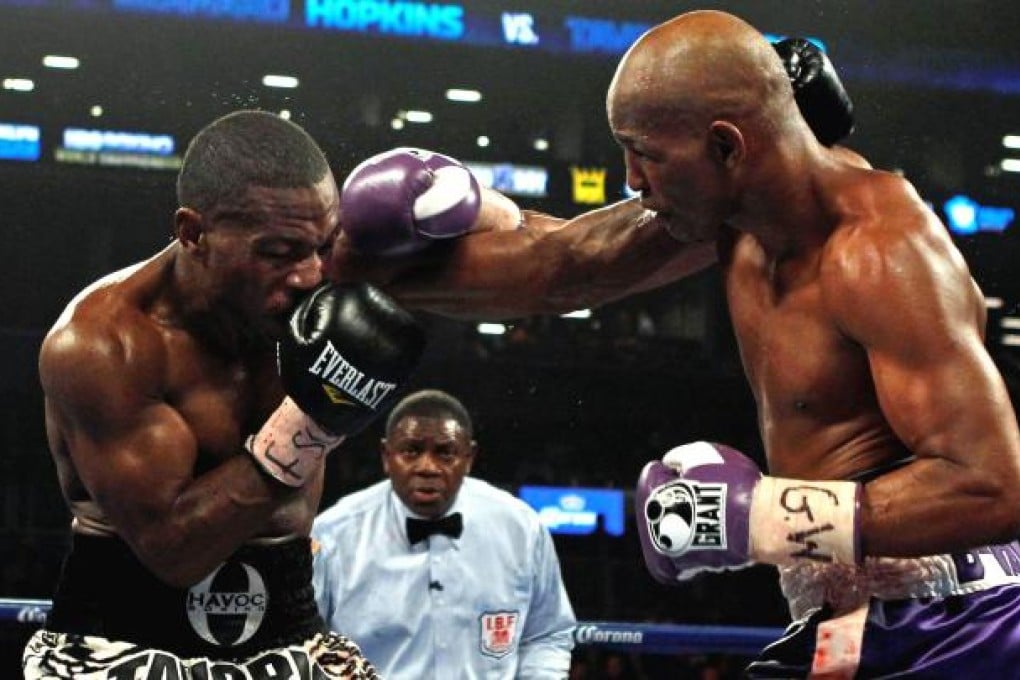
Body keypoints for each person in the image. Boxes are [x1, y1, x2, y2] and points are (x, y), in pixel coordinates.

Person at [325, 11, 1020, 678]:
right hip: (853, 621)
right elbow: (566, 265)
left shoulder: (880, 254)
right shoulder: (732, 215)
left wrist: (760, 517)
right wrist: (352, 269)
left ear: (726, 146)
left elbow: (992, 486)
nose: (631, 180)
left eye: (645, 155)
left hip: (953, 623)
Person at [23, 110, 430, 679]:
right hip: (120, 643)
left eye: (322, 244)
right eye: (279, 251)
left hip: (291, 636)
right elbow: (174, 550)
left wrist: (477, 203)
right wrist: (315, 418)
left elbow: (543, 267)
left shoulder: (316, 283)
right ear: (193, 233)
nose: (311, 275)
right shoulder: (103, 344)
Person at [312, 388, 577, 679]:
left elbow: (547, 634)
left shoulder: (521, 528)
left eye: (445, 452)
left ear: (469, 457)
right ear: (386, 457)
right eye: (411, 450)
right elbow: (302, 641)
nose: (427, 467)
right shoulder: (334, 534)